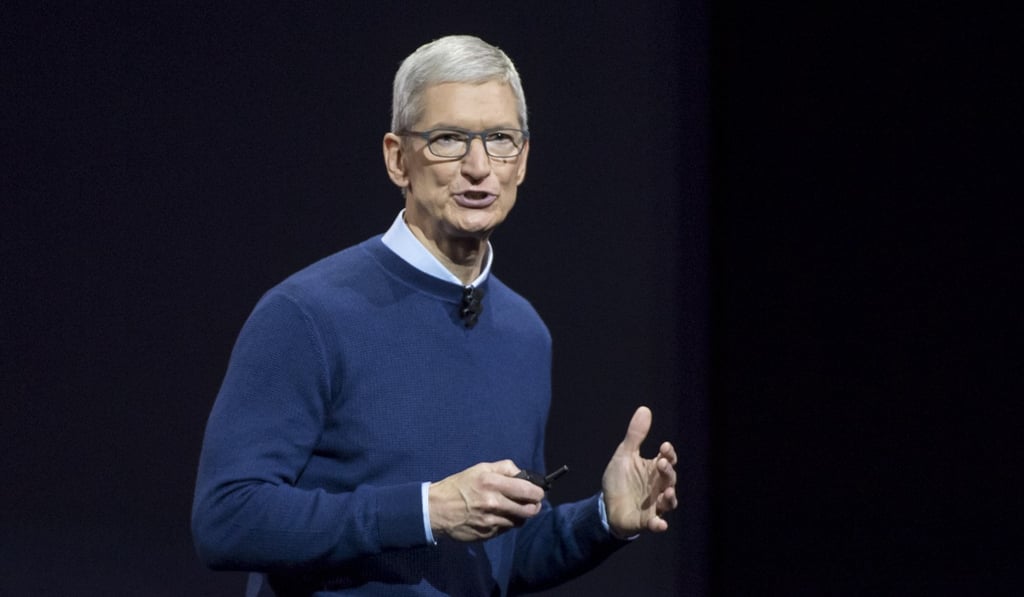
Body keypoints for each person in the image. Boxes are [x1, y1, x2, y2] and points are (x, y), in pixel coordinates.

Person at [191, 34, 678, 596]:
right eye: (449, 139)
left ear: (522, 161)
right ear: (398, 159)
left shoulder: (525, 333)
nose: (478, 166)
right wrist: (425, 510)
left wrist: (603, 521)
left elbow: (503, 557)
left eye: (499, 139)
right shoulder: (307, 314)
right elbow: (227, 519)